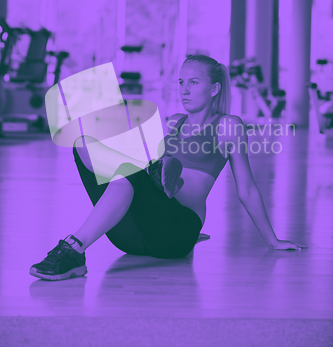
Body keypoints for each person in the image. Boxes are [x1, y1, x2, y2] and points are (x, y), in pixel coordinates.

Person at [30, 54, 307, 281]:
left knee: (130, 172)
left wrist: (273, 240)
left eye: (194, 82)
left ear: (214, 89)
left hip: (176, 233)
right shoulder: (175, 121)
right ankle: (157, 174)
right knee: (83, 145)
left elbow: (246, 189)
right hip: (135, 237)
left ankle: (73, 249)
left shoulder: (228, 125)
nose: (184, 89)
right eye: (182, 82)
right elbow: (137, 188)